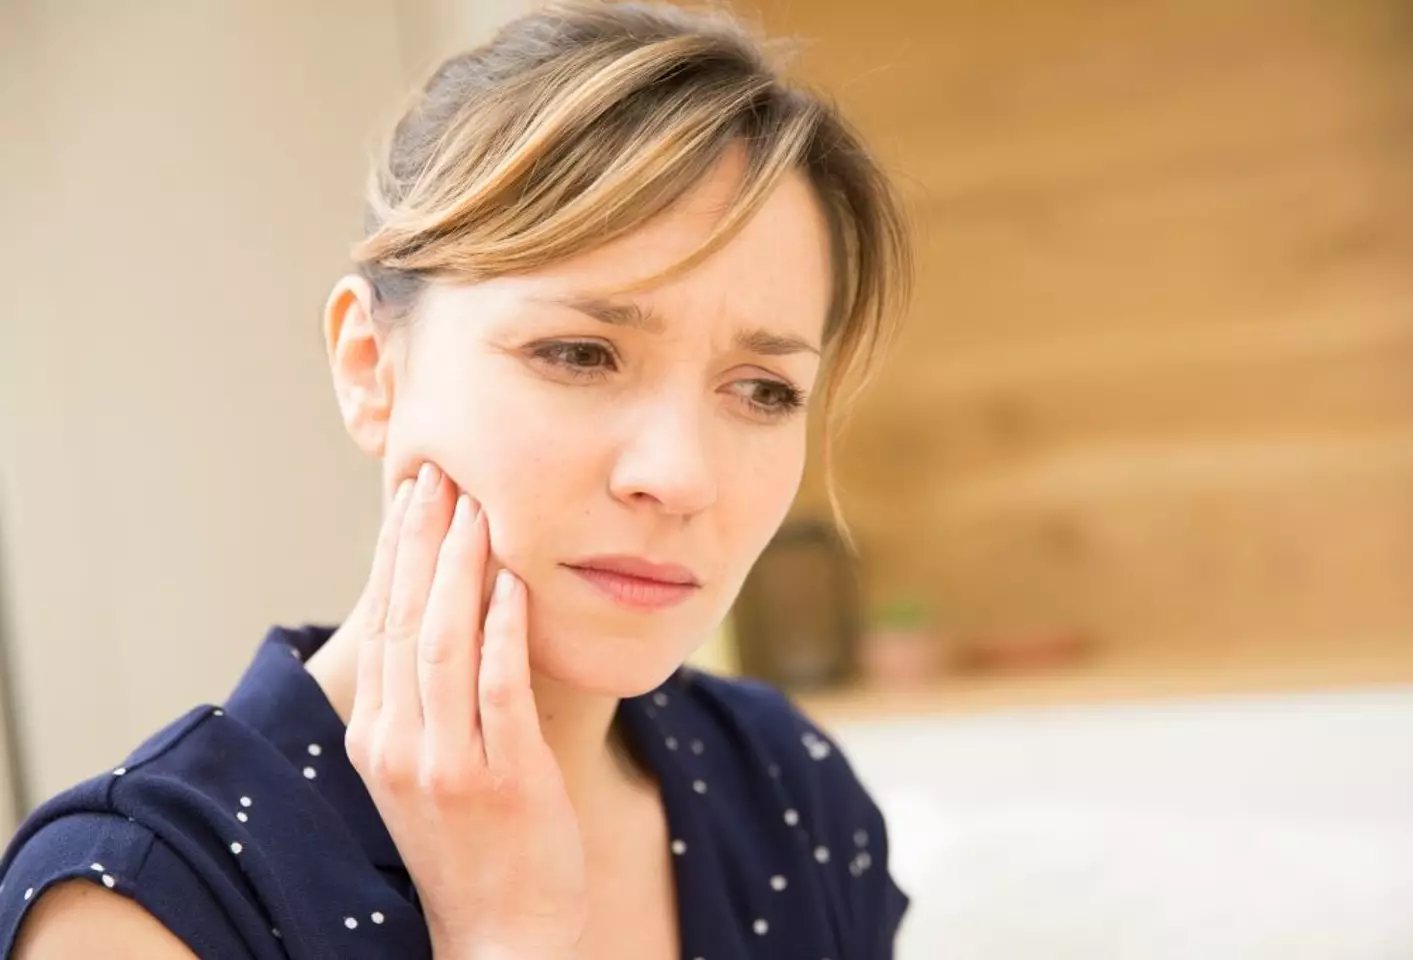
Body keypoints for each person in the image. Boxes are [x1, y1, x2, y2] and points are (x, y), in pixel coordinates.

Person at [0, 1, 913, 957]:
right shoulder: (140, 903)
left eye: (764, 390)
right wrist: (505, 936)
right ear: (370, 366)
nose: (679, 475)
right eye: (579, 353)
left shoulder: (787, 792)